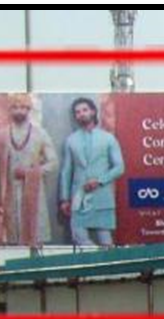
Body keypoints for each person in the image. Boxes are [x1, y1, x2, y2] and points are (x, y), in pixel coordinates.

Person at [0, 93, 58, 247]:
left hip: (33, 192)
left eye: (23, 107)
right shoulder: (0, 136)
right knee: (12, 237)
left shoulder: (40, 133)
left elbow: (53, 162)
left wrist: (30, 173)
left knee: (35, 236)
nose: (19, 111)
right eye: (14, 107)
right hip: (9, 193)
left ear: (29, 109)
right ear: (9, 110)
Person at [58, 97, 125, 248]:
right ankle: (98, 267)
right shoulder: (71, 140)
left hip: (102, 195)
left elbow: (119, 167)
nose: (81, 114)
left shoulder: (108, 138)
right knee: (79, 237)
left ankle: (112, 269)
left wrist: (99, 181)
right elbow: (66, 171)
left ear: (93, 112)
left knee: (106, 241)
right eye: (77, 112)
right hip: (79, 197)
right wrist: (64, 199)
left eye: (84, 110)